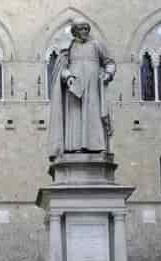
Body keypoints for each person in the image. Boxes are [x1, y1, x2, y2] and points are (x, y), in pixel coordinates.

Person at [48, 20, 116, 161]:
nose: (85, 31)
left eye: (86, 28)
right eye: (81, 29)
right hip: (74, 91)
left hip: (93, 89)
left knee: (94, 115)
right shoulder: (69, 47)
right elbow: (61, 68)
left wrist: (108, 74)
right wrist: (68, 77)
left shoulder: (97, 45)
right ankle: (75, 147)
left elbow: (109, 63)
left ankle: (96, 147)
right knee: (75, 117)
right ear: (75, 31)